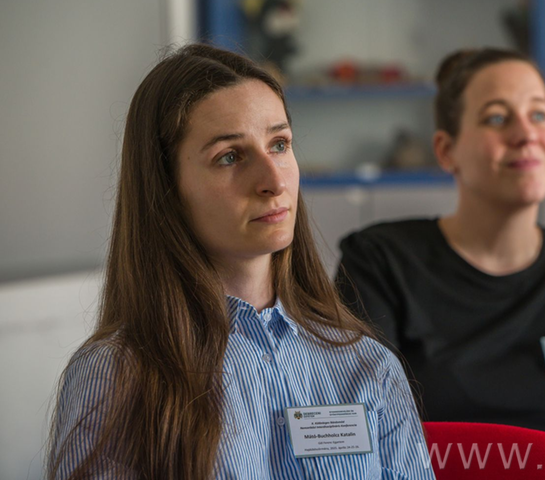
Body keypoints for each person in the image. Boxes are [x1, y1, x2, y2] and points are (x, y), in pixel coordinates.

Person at [47, 44, 433, 480]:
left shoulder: (367, 366)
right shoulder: (116, 375)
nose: (273, 181)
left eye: (279, 145)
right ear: (166, 187)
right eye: (230, 156)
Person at [336, 48, 545, 478]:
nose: (526, 135)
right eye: (497, 118)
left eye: (539, 115)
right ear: (446, 151)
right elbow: (354, 445)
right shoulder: (380, 262)